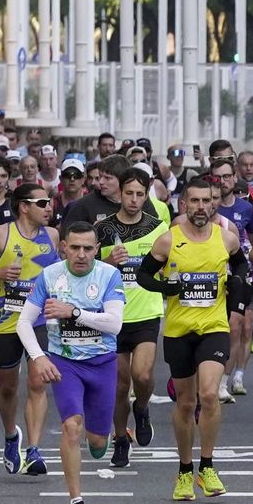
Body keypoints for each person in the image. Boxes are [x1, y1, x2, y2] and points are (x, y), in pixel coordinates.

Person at [137, 176, 250, 501]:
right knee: (186, 403)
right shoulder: (167, 241)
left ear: (213, 203)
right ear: (184, 204)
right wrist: (166, 288)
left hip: (214, 327)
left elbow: (242, 270)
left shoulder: (226, 239)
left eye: (206, 201)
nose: (201, 207)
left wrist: (235, 288)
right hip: (178, 331)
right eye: (195, 201)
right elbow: (144, 275)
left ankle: (208, 466)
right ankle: (185, 471)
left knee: (210, 395)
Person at [20, 221, 127, 504]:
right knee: (71, 427)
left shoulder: (109, 275)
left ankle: (100, 439)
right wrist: (39, 357)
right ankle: (76, 503)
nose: (82, 254)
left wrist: (74, 312)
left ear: (97, 249)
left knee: (95, 441)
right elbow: (24, 323)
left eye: (88, 248)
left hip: (103, 363)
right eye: (75, 247)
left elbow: (114, 324)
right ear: (63, 247)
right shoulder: (50, 276)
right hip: (65, 362)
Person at [97, 169, 169, 463]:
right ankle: (120, 438)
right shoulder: (102, 229)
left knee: (142, 374)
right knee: (118, 384)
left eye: (140, 194)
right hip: (112, 315)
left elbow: (170, 265)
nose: (135, 200)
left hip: (146, 313)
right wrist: (106, 261)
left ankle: (141, 407)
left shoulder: (159, 228)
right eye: (129, 193)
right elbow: (84, 269)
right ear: (120, 194)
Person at [0, 182, 62, 476]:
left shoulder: (53, 235)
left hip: (39, 320)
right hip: (4, 319)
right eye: (42, 203)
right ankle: (11, 436)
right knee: (7, 387)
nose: (49, 208)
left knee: (37, 382)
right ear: (24, 206)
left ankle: (33, 450)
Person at [209, 157, 253, 401]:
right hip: (210, 278)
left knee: (236, 328)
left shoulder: (246, 209)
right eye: (218, 177)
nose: (223, 181)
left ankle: (226, 380)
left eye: (227, 176)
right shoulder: (206, 206)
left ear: (234, 177)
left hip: (240, 277)